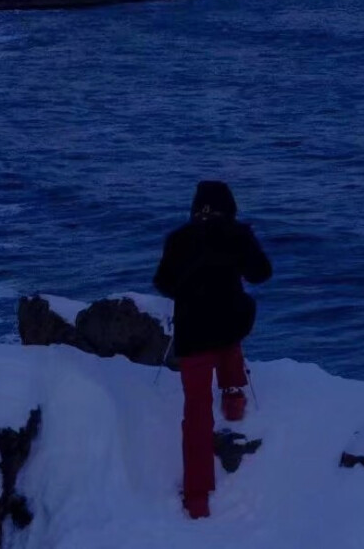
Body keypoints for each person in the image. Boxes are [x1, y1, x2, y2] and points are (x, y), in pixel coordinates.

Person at [154, 180, 272, 520]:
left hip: (192, 334)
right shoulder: (238, 234)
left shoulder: (178, 238)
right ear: (229, 206)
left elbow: (163, 283)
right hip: (229, 323)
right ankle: (234, 403)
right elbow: (262, 273)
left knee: (196, 412)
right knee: (229, 334)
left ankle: (197, 497)